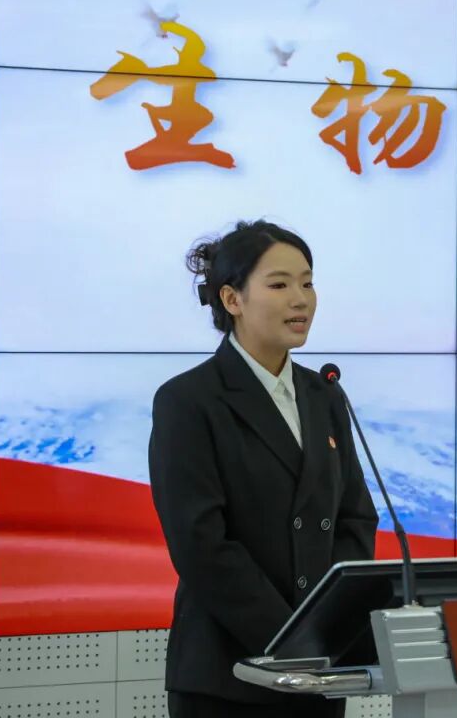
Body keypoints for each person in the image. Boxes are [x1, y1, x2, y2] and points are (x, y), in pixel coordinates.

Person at [148, 219, 379, 718]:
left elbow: (355, 518)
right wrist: (292, 638)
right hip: (231, 674)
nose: (301, 299)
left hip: (318, 672)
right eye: (279, 285)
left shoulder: (324, 393)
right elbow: (201, 544)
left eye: (307, 283)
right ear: (232, 299)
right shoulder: (189, 400)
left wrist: (329, 628)